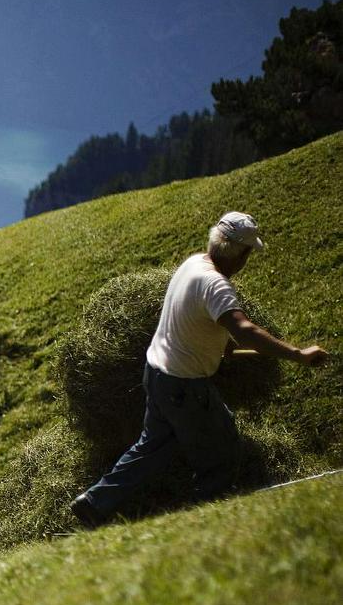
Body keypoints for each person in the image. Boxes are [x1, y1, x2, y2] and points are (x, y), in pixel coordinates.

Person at [70, 211, 330, 527]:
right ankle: (202, 520)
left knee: (152, 448)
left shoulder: (193, 264)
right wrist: (298, 354)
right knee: (222, 451)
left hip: (156, 371)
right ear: (243, 254)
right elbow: (244, 329)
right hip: (184, 385)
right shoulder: (216, 286)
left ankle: (94, 502)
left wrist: (223, 350)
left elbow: (198, 322)